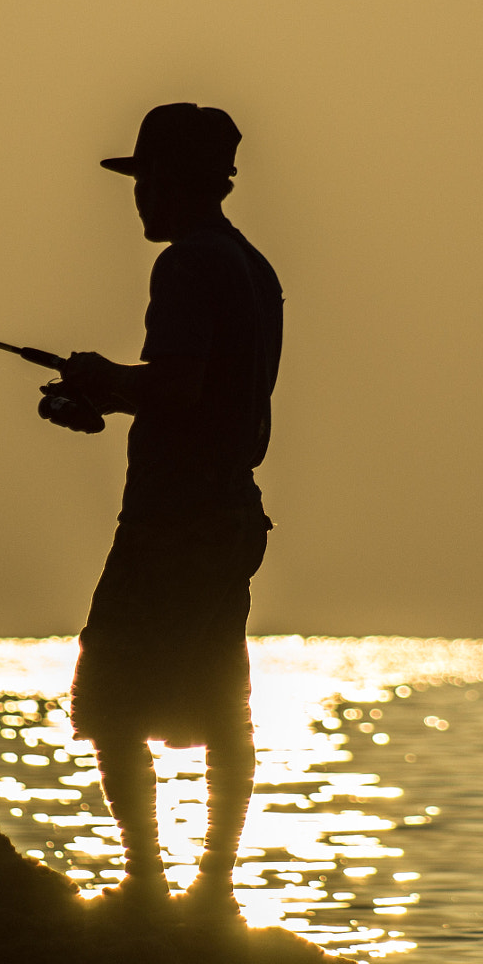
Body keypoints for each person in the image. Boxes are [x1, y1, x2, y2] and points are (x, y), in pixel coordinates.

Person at [40, 102, 283, 917]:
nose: (138, 197)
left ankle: (146, 884)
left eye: (147, 181)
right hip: (231, 516)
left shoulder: (186, 266)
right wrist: (105, 399)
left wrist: (106, 375)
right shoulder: (255, 267)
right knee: (221, 701)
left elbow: (176, 386)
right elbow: (205, 398)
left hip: (172, 522)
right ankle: (215, 891)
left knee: (109, 693)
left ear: (180, 183)